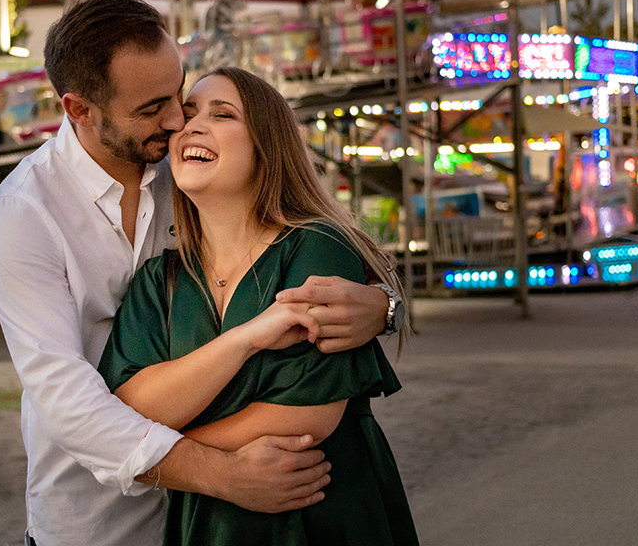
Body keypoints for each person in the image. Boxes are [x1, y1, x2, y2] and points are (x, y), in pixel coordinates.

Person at [0, 0, 393, 546]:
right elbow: (70, 403)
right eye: (153, 108)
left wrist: (384, 306)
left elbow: (302, 231)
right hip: (98, 522)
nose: (177, 120)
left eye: (178, 93)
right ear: (79, 109)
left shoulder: (187, 176)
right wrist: (223, 473)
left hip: (229, 515)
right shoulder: (24, 215)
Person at [99, 67, 418, 545]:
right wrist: (247, 338)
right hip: (209, 523)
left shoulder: (316, 246)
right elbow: (130, 405)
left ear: (267, 146)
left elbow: (303, 417)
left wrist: (153, 454)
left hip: (319, 513)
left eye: (222, 114)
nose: (192, 125)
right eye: (187, 115)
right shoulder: (157, 281)